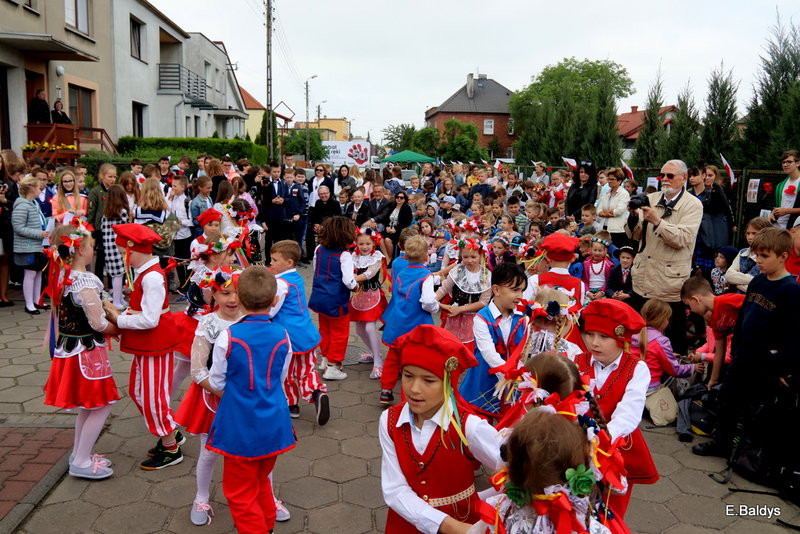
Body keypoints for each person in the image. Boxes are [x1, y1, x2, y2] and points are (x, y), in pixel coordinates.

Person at [379, 324, 503, 534]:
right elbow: (395, 489)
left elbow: (518, 468)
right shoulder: (389, 421)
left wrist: (487, 499)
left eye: (428, 380)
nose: (414, 389)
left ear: (448, 384)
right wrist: (449, 526)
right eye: (408, 376)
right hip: (406, 525)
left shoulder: (469, 426)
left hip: (465, 521)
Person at [691, 228, 800, 462]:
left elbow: (793, 333)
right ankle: (722, 443)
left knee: (754, 408)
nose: (758, 261)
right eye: (757, 255)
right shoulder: (758, 281)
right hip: (743, 355)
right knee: (729, 401)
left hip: (767, 362)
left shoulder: (791, 290)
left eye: (764, 256)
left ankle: (746, 454)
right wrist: (738, 345)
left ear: (782, 256)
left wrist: (783, 366)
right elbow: (744, 317)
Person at [204, 266, 296, 533]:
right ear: (275, 300)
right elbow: (281, 378)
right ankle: (267, 525)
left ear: (240, 301)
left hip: (240, 424)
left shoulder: (228, 336)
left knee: (239, 491)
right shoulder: (283, 335)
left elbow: (218, 380)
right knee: (261, 480)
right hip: (274, 421)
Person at [42, 221, 119, 480]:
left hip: (70, 350)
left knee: (88, 406)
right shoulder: (85, 281)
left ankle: (78, 454)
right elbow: (97, 322)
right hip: (86, 353)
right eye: (90, 246)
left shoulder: (64, 277)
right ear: (80, 250)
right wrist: (118, 328)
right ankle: (82, 460)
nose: (93, 250)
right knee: (101, 405)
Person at [102, 224, 182, 470]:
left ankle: (171, 448)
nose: (122, 258)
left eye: (122, 252)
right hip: (147, 345)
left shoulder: (152, 277)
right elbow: (142, 310)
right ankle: (171, 433)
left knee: (152, 397)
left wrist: (118, 319)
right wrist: (122, 314)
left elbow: (150, 319)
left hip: (154, 345)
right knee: (139, 392)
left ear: (132, 251)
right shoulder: (146, 274)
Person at [574, 298, 659, 518]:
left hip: (617, 449)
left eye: (604, 337)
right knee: (577, 506)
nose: (594, 343)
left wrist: (600, 442)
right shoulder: (577, 360)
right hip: (578, 448)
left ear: (621, 339)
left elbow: (629, 412)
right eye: (590, 334)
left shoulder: (637, 368)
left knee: (610, 512)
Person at [174, 266, 242, 526]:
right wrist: (222, 393)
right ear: (213, 294)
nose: (232, 299)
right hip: (214, 399)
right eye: (225, 293)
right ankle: (201, 497)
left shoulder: (253, 320)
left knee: (254, 452)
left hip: (248, 401)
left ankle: (265, 495)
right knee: (210, 451)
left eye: (237, 292)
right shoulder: (208, 323)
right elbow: (197, 369)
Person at [624, 159, 703, 355]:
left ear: (684, 178)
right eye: (662, 175)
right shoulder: (651, 198)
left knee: (673, 335)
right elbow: (634, 236)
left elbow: (683, 239)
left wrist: (657, 221)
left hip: (670, 282)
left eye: (670, 176)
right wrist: (633, 218)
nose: (664, 179)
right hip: (644, 278)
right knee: (642, 332)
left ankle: (675, 377)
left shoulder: (693, 205)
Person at [268, 240, 330, 424]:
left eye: (274, 260)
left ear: (289, 262)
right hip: (305, 332)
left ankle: (292, 404)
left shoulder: (280, 283)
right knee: (306, 369)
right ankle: (316, 391)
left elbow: (272, 310)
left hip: (287, 335)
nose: (270, 263)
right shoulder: (296, 277)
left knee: (286, 371)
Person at [460, 263, 528, 417]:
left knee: (509, 426)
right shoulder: (482, 318)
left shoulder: (523, 317)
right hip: (485, 377)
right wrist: (509, 376)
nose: (520, 296)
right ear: (496, 289)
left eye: (522, 290)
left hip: (514, 381)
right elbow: (488, 353)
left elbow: (525, 349)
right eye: (515, 290)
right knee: (480, 424)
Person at [379, 235, 439, 404]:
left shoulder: (402, 271)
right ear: (426, 256)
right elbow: (427, 302)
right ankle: (409, 397)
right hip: (416, 323)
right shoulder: (425, 276)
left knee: (393, 357)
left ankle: (386, 389)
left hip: (397, 320)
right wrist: (436, 306)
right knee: (414, 361)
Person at [308, 216, 357, 381]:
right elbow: (348, 281)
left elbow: (316, 270)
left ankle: (324, 358)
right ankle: (333, 366)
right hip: (337, 300)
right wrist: (356, 286)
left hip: (320, 295)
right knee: (339, 333)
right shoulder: (345, 255)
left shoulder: (318, 249)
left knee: (325, 329)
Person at [680, 276, 745, 389]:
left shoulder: (726, 300)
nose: (690, 310)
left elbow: (755, 305)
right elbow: (720, 350)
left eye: (688, 305)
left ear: (696, 299)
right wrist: (713, 380)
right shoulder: (714, 321)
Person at [631, 299, 702, 394]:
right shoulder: (661, 341)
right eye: (668, 318)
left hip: (632, 384)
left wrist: (670, 355)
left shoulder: (634, 336)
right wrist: (692, 368)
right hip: (651, 387)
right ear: (662, 319)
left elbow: (648, 354)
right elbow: (674, 370)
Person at [435, 238, 491, 347]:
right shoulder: (457, 270)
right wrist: (433, 299)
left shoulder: (486, 275)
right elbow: (444, 289)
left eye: (473, 257)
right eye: (465, 257)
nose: (469, 260)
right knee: (451, 346)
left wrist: (461, 309)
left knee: (469, 349)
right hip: (454, 317)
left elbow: (483, 302)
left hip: (474, 318)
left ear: (480, 256)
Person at [348, 229, 388, 378]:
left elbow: (369, 273)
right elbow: (350, 270)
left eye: (368, 243)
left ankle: (378, 362)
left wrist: (351, 280)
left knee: (370, 327)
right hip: (359, 296)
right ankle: (374, 353)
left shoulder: (377, 257)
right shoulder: (354, 256)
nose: (364, 246)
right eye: (361, 243)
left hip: (372, 296)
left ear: (374, 243)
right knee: (359, 329)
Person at [522, 232, 585, 314]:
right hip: (567, 326)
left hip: (539, 325)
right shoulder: (580, 284)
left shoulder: (535, 279)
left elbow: (524, 306)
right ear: (572, 259)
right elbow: (577, 313)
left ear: (548, 257)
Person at [12, 175, 48, 315]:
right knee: (30, 274)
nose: (41, 189)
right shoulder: (22, 205)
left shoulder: (34, 203)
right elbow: (18, 227)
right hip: (27, 246)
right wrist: (39, 233)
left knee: (38, 272)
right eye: (38, 187)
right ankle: (29, 304)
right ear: (31, 189)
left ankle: (36, 300)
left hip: (36, 245)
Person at [100, 185, 129, 310]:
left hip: (109, 248)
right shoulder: (122, 212)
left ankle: (119, 298)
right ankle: (117, 301)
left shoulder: (106, 214)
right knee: (119, 275)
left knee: (116, 275)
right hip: (119, 247)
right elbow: (127, 229)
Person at [87, 163, 118, 281]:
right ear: (102, 176)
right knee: (101, 258)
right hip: (100, 230)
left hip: (114, 230)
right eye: (110, 177)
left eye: (114, 177)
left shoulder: (116, 191)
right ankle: (99, 283)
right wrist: (90, 230)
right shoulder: (96, 192)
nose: (113, 179)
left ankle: (112, 285)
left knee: (113, 259)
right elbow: (91, 213)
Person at [725, 216, 772, 293]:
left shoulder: (769, 255)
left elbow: (761, 287)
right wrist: (754, 280)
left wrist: (738, 283)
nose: (750, 237)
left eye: (754, 233)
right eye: (748, 233)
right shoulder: (742, 252)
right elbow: (728, 275)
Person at [167, 175, 193, 287]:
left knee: (186, 261)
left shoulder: (187, 201)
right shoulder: (171, 199)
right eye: (172, 185)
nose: (173, 188)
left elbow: (191, 221)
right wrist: (170, 198)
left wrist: (181, 222)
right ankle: (182, 283)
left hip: (184, 235)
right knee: (177, 261)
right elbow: (166, 211)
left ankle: (187, 283)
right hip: (174, 235)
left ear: (183, 187)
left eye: (175, 186)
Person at [595, 168, 631, 247]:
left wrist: (603, 213)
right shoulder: (606, 193)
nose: (609, 181)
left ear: (619, 181)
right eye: (608, 179)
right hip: (603, 229)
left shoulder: (624, 194)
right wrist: (606, 213)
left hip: (616, 230)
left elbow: (618, 211)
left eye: (612, 179)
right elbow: (598, 210)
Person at [379, 191, 413, 261]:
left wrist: (396, 229)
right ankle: (387, 257)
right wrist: (386, 228)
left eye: (401, 197)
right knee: (380, 239)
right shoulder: (392, 206)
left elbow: (407, 222)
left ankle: (390, 259)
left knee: (387, 240)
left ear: (405, 199)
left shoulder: (406, 208)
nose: (399, 199)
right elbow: (386, 219)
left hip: (399, 231)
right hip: (388, 229)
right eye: (397, 197)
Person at [771, 150, 800, 229]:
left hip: (795, 227)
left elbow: (785, 209)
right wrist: (773, 213)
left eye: (789, 162)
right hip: (778, 226)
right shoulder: (780, 185)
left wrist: (786, 211)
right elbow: (776, 206)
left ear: (798, 163)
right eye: (783, 162)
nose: (785, 165)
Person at [582, 234, 614, 301]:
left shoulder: (608, 265)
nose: (597, 253)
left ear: (605, 251)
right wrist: (588, 292)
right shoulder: (586, 264)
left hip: (602, 293)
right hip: (588, 292)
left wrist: (602, 292)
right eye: (595, 250)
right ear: (590, 250)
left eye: (600, 251)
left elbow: (608, 281)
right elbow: (584, 280)